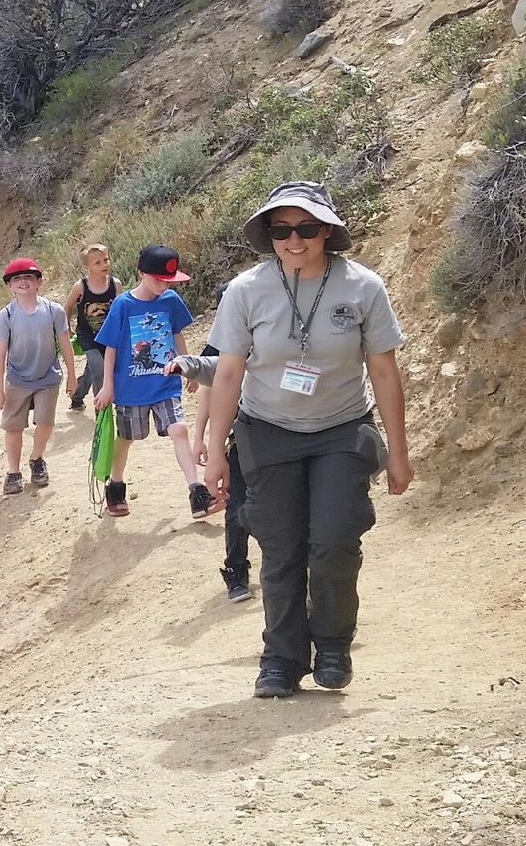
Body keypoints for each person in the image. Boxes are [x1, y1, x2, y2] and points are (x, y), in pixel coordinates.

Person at [198, 181, 412, 699]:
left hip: (340, 429)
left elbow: (384, 372)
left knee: (335, 540)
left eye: (307, 228)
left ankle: (333, 647)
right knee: (281, 548)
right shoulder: (245, 291)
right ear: (268, 235)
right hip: (267, 431)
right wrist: (215, 454)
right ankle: (282, 658)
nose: (295, 240)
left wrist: (399, 454)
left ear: (327, 231)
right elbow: (227, 375)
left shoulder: (363, 287)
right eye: (282, 230)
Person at [93, 245, 217, 520]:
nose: (164, 285)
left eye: (169, 280)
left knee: (179, 429)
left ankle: (196, 492)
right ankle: (115, 486)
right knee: (126, 439)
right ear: (141, 273)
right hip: (130, 388)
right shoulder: (123, 305)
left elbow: (177, 333)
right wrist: (107, 385)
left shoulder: (171, 300)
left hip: (165, 382)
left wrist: (190, 368)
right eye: (159, 279)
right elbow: (111, 347)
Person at [168, 281, 253, 603]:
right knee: (237, 506)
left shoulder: (270, 332)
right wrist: (202, 438)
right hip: (240, 436)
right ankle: (236, 571)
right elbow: (209, 390)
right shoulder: (223, 344)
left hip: (278, 432)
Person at [0, 258, 76, 495]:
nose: (23, 282)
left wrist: (72, 376)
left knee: (45, 423)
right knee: (13, 427)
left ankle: (36, 459)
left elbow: (65, 345)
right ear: (10, 286)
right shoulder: (5, 316)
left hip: (48, 376)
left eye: (28, 277)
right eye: (16, 278)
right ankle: (13, 472)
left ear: (38, 282)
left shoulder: (54, 311)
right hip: (17, 379)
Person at [66, 244, 119, 412]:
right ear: (86, 267)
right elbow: (67, 307)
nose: (104, 265)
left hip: (108, 337)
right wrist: (66, 328)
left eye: (106, 260)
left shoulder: (115, 284)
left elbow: (121, 310)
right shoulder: (80, 287)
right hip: (87, 336)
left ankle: (77, 396)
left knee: (92, 370)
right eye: (98, 263)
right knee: (99, 369)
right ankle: (101, 410)